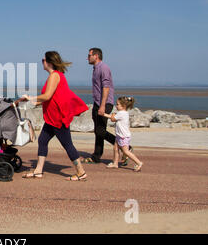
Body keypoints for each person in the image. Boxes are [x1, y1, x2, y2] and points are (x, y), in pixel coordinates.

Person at [18, 51, 89, 181]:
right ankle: (38, 171)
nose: (42, 62)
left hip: (58, 117)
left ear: (49, 62)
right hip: (51, 118)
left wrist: (31, 97)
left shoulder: (55, 76)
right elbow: (47, 99)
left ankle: (81, 171)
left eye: (43, 60)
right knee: (42, 141)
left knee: (67, 145)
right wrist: (30, 100)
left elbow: (47, 95)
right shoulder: (54, 76)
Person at [83, 48, 132, 164]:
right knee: (98, 130)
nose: (87, 57)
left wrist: (102, 105)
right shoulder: (95, 68)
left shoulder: (103, 68)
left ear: (96, 56)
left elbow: (106, 87)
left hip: (104, 103)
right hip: (98, 102)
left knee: (100, 131)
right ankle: (96, 156)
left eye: (89, 55)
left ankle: (126, 147)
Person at [103, 97, 143, 172]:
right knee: (115, 148)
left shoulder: (122, 113)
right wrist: (113, 115)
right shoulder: (124, 113)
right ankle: (115, 163)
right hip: (119, 135)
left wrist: (103, 114)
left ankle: (139, 162)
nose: (116, 106)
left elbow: (112, 118)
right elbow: (114, 117)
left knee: (126, 151)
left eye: (117, 104)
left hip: (123, 136)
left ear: (123, 106)